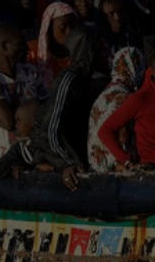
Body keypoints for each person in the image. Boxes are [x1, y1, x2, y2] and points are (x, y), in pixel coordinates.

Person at [28, 26, 102, 189]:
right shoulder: (68, 80)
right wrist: (66, 163)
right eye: (99, 48)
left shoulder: (92, 80)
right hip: (54, 154)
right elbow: (50, 130)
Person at [0, 23, 46, 165]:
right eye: (19, 44)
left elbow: (48, 111)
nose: (26, 48)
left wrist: (12, 108)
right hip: (5, 160)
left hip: (35, 157)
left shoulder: (30, 71)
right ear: (4, 47)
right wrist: (31, 110)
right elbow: (7, 122)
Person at [86, 47, 146, 171]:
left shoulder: (106, 92)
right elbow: (105, 132)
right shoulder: (123, 97)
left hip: (97, 166)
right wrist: (125, 161)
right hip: (114, 167)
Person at [35, 2, 78, 83]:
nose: (69, 32)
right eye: (63, 27)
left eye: (73, 26)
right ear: (49, 27)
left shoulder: (82, 53)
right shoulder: (32, 52)